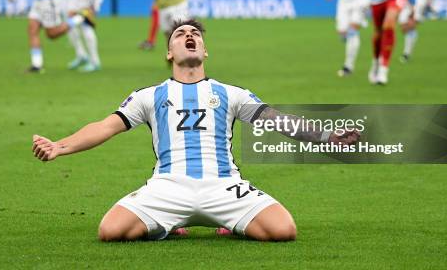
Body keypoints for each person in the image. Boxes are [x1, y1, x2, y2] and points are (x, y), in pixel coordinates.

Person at [32, 19, 360, 241]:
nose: (189, 36)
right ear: (169, 52)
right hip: (168, 187)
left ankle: (227, 222)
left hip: (224, 186)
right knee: (110, 231)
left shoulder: (232, 93)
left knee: (284, 230)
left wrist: (327, 136)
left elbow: (277, 120)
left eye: (195, 34)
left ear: (204, 51)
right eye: (180, 34)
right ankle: (170, 223)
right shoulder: (149, 95)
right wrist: (60, 146)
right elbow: (105, 126)